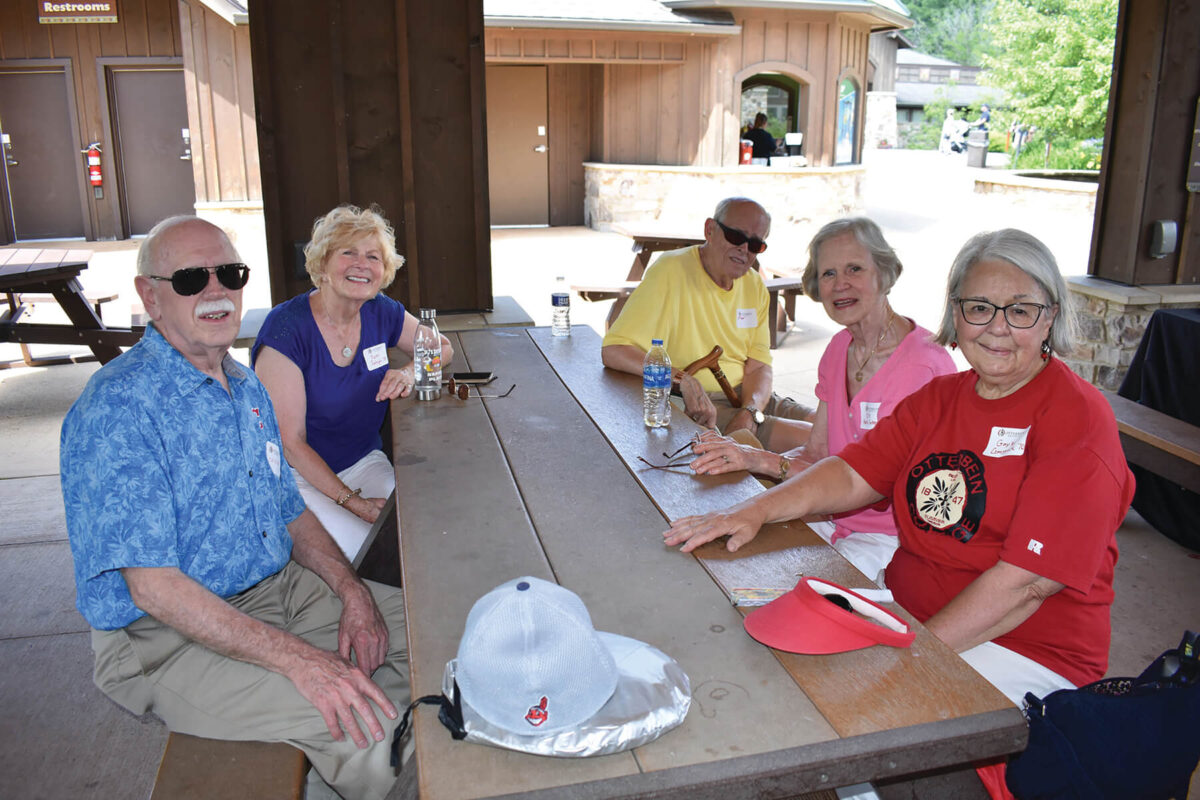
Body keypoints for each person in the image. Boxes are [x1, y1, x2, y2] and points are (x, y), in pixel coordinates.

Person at [664, 228, 1134, 710]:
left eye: (1019, 310)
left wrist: (913, 655)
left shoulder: (1075, 419)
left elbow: (1027, 584)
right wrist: (753, 510)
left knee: (866, 709)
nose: (997, 327)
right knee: (766, 653)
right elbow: (849, 474)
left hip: (1021, 647)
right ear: (956, 313)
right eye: (979, 308)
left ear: (1049, 317)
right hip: (908, 611)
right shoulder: (941, 400)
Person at [60, 216, 410, 800]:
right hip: (165, 637)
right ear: (150, 294)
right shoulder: (119, 409)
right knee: (366, 727)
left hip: (276, 592)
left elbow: (289, 513)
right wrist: (302, 661)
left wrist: (353, 594)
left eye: (230, 273)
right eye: (193, 278)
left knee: (427, 630)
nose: (216, 290)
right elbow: (153, 588)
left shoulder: (243, 386)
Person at [686, 217, 956, 584]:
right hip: (831, 520)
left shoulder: (926, 365)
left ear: (885, 273)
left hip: (890, 538)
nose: (840, 284)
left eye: (854, 269)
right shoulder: (839, 348)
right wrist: (740, 457)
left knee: (791, 592)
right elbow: (816, 455)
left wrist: (760, 461)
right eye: (828, 273)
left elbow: (876, 488)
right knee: (731, 562)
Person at [252, 204, 453, 561]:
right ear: (323, 264)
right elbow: (291, 444)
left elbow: (442, 348)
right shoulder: (287, 329)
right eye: (348, 253)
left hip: (363, 461)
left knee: (424, 530)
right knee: (372, 553)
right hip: (299, 479)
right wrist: (354, 503)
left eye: (373, 257)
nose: (362, 264)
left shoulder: (381, 310)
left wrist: (409, 371)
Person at [601, 197, 813, 451]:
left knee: (837, 425)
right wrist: (682, 380)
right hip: (702, 404)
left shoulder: (754, 284)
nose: (745, 249)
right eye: (736, 237)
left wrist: (750, 411)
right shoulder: (671, 270)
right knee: (820, 441)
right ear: (709, 230)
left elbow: (759, 366)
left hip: (749, 398)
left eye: (756, 244)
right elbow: (614, 350)